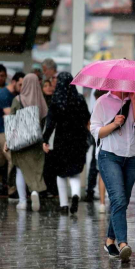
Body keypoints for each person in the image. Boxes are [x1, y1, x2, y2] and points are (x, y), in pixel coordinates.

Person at [90, 84, 135, 262]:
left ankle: (109, 241)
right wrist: (115, 123)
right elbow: (96, 131)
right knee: (118, 199)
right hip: (109, 155)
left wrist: (133, 100)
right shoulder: (102, 101)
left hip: (131, 157)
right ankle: (123, 244)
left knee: (123, 201)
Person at [43, 72, 90, 214]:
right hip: (78, 141)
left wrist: (45, 140)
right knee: (75, 172)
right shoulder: (80, 99)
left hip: (61, 142)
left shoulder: (56, 100)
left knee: (61, 174)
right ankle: (75, 194)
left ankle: (63, 205)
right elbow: (87, 118)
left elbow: (50, 123)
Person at [10, 74, 48, 211]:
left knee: (20, 169)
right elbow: (45, 121)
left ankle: (22, 201)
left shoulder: (17, 99)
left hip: (20, 140)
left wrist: (9, 141)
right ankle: (34, 192)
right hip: (36, 141)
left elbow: (12, 120)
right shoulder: (41, 101)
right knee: (36, 170)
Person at [41, 79, 58, 197]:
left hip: (53, 137)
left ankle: (52, 189)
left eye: (49, 85)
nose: (48, 88)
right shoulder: (39, 102)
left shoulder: (56, 101)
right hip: (42, 136)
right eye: (45, 85)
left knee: (51, 164)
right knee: (44, 164)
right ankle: (44, 189)